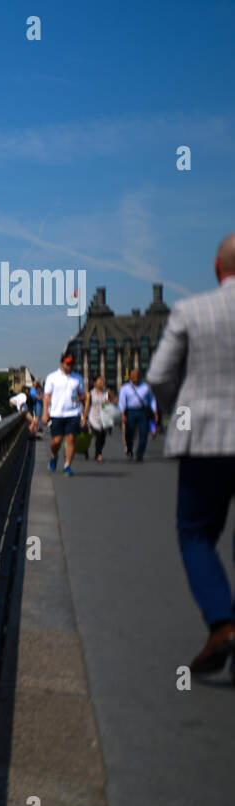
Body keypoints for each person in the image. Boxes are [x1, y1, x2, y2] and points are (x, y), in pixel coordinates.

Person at [146, 231, 235, 678]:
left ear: (217, 270)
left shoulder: (192, 311)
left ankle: (222, 623)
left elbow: (159, 376)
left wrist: (173, 415)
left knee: (196, 534)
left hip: (205, 440)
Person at [41, 353, 87, 476]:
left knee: (71, 439)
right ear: (61, 363)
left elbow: (83, 395)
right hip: (57, 413)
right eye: (67, 363)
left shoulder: (78, 378)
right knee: (57, 441)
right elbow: (47, 397)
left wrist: (84, 414)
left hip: (73, 412)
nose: (69, 366)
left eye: (71, 363)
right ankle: (54, 456)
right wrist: (45, 413)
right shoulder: (52, 377)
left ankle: (67, 465)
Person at [118, 368, 158, 462]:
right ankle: (129, 448)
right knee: (129, 433)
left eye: (136, 375)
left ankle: (140, 453)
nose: (134, 377)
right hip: (130, 411)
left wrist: (155, 412)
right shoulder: (125, 388)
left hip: (142, 412)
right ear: (130, 377)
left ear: (139, 376)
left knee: (144, 433)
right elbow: (121, 402)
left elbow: (152, 400)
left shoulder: (146, 387)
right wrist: (123, 413)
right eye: (132, 376)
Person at [86, 375, 112, 463]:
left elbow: (108, 406)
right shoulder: (90, 394)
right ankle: (98, 453)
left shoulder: (106, 393)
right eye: (100, 381)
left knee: (103, 437)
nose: (102, 383)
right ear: (95, 383)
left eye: (103, 381)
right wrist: (84, 418)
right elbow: (87, 407)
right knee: (98, 434)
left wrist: (107, 402)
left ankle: (98, 451)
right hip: (93, 418)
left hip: (103, 418)